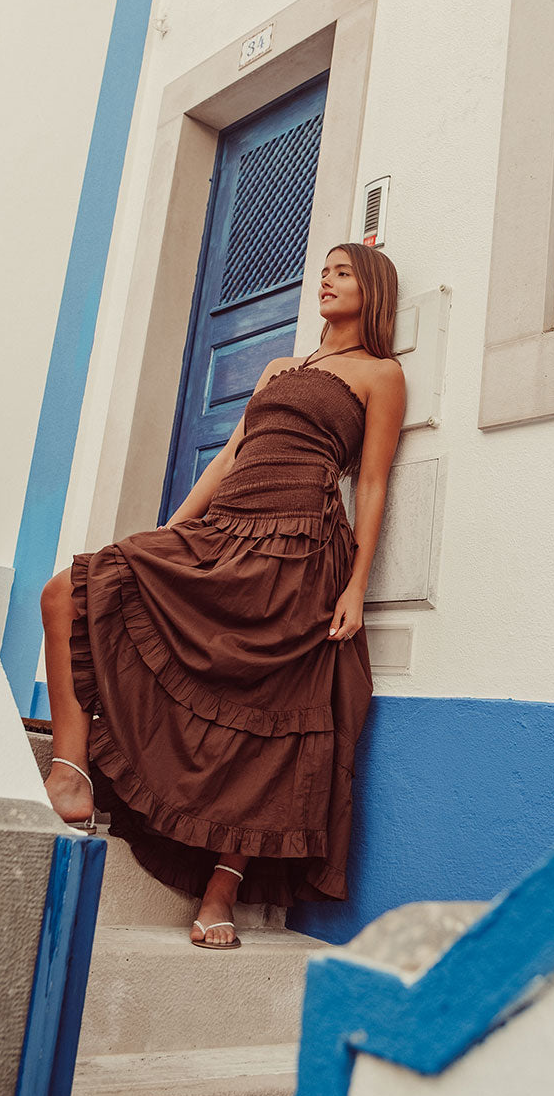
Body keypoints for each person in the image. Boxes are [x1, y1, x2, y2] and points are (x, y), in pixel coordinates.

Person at [40, 242, 405, 948]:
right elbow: (231, 455)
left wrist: (357, 585)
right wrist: (168, 534)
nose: (326, 280)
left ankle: (222, 889)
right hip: (226, 528)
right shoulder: (279, 368)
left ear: (373, 289)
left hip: (301, 551)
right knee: (68, 593)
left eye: (342, 272)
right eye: (323, 271)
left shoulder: (380, 375)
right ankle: (70, 768)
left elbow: (373, 484)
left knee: (266, 721)